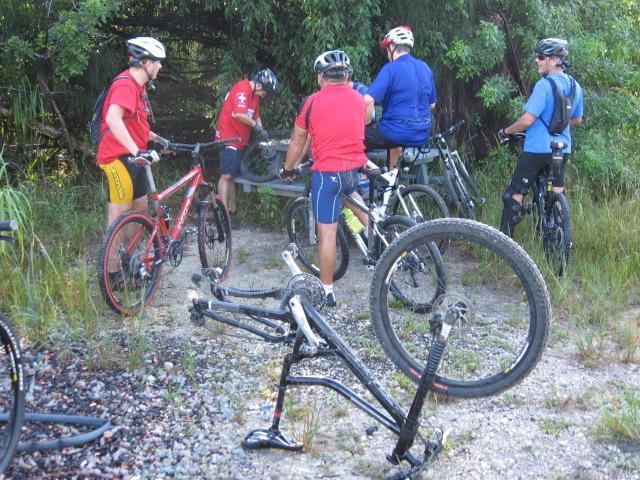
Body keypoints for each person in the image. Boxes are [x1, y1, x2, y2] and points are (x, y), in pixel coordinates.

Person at [281, 50, 368, 307]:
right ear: (346, 75)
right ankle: (386, 246)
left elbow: (298, 141)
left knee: (327, 234)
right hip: (352, 171)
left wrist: (288, 168)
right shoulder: (358, 99)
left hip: (327, 174)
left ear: (321, 77)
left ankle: (327, 291)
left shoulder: (312, 102)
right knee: (358, 204)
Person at [498, 38, 584, 237]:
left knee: (513, 195)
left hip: (537, 149)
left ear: (554, 60)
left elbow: (527, 120)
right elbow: (577, 119)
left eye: (541, 57)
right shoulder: (575, 86)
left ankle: (502, 243)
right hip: (562, 148)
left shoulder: (544, 85)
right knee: (557, 193)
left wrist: (507, 131)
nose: (537, 61)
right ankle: (561, 238)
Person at [97, 36, 171, 229]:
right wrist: (137, 152)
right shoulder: (126, 85)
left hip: (134, 156)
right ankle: (111, 259)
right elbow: (113, 119)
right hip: (118, 157)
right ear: (146, 63)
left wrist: (158, 139)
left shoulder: (139, 87)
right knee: (119, 218)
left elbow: (135, 124)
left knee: (140, 211)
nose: (160, 67)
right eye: (158, 62)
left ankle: (128, 258)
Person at [363, 26, 437, 169]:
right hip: (422, 133)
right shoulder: (425, 68)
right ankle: (392, 181)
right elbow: (432, 105)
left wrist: (365, 124)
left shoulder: (391, 69)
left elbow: (368, 100)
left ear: (392, 46)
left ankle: (363, 178)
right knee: (392, 133)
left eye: (387, 48)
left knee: (352, 140)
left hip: (396, 132)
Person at [214, 68, 278, 227]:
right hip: (228, 138)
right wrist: (256, 127)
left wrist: (263, 133)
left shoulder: (254, 97)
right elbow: (239, 114)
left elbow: (256, 117)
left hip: (240, 140)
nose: (265, 95)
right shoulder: (242, 88)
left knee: (233, 177)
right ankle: (223, 215)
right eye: (265, 91)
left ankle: (231, 212)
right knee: (227, 175)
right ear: (259, 85)